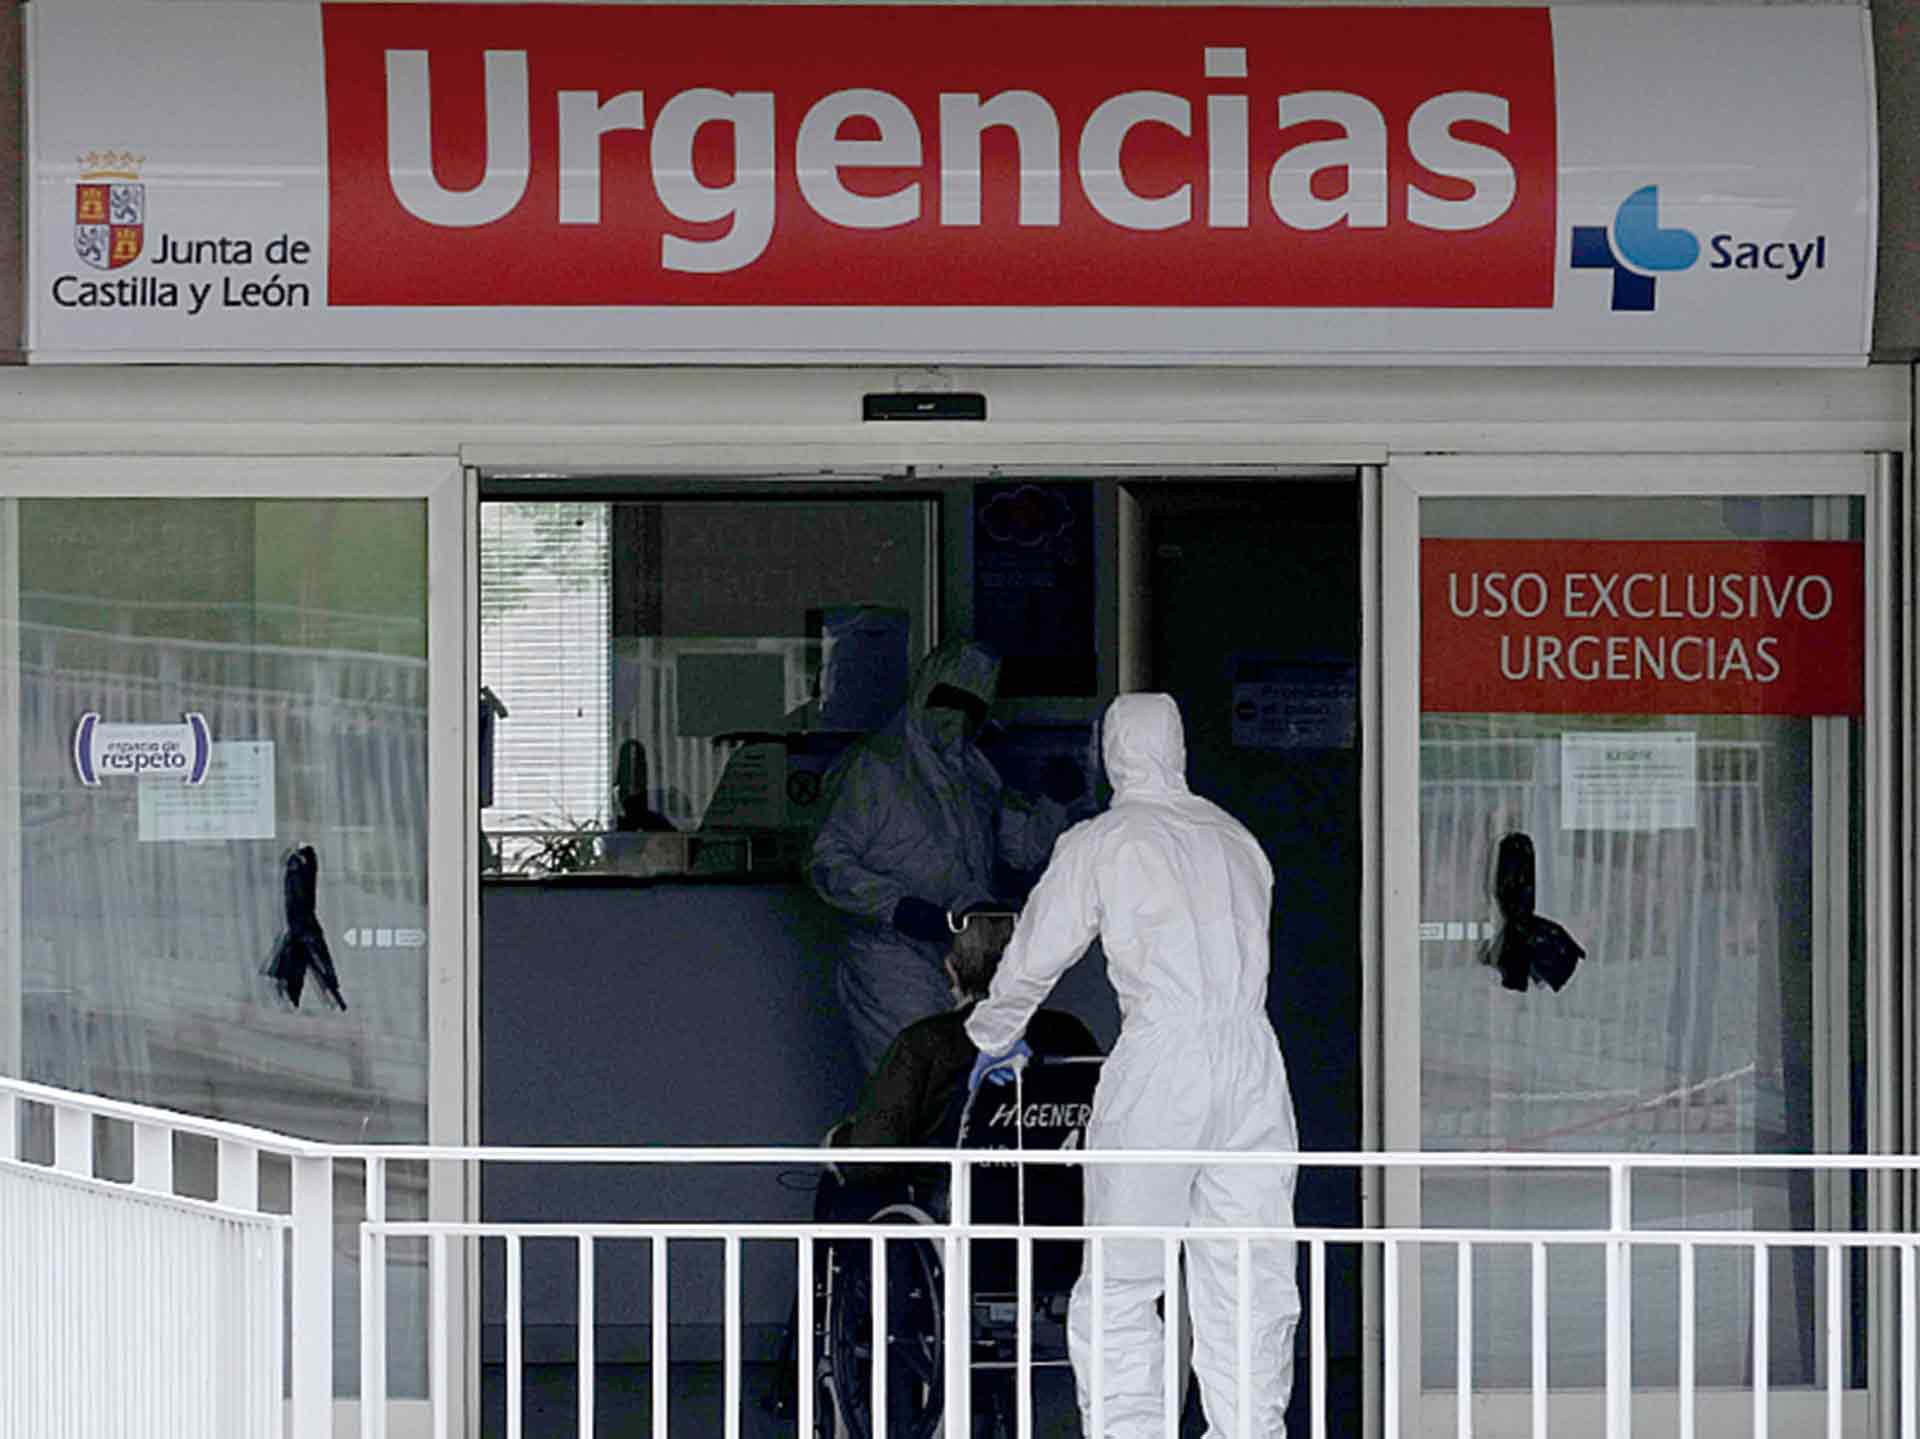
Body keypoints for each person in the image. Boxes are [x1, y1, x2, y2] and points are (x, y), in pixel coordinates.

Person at [964, 692, 1301, 1439]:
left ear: (1110, 751)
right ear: (1179, 748)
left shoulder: (1105, 840)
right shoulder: (1238, 839)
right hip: (1253, 1064)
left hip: (1162, 1061)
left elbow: (1034, 953)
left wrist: (991, 1033)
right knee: (1250, 1273)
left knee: (1123, 1276)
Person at [808, 637, 1083, 1073]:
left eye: (973, 707)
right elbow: (826, 861)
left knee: (961, 1088)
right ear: (924, 690)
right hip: (890, 961)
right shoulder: (875, 767)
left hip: (967, 961)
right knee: (913, 1085)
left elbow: (1021, 849)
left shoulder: (974, 773)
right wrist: (896, 908)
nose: (958, 717)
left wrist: (1055, 804)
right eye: (950, 700)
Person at [836, 912, 1100, 1151]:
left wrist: (838, 1140)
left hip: (956, 1198)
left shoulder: (925, 1043)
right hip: (1067, 1194)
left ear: (951, 969)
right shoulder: (1070, 1033)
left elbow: (871, 1158)